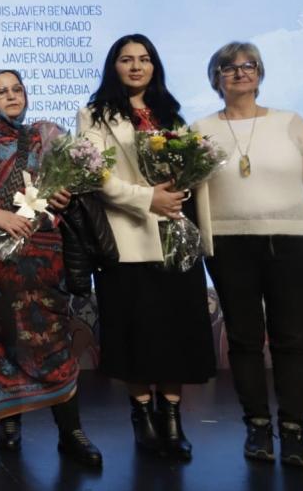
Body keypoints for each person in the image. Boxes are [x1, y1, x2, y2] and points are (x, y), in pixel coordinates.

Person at [193, 41, 303, 467]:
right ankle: (257, 428)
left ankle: (294, 431)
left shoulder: (291, 123)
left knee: (291, 340)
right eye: (230, 67)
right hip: (227, 244)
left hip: (293, 242)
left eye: (249, 65)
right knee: (242, 340)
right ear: (216, 78)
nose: (241, 72)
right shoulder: (199, 129)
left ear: (259, 73)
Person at [0, 69, 102, 468]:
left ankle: (71, 431)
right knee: (2, 339)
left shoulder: (45, 136)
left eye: (17, 89)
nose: (12, 96)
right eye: (2, 92)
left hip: (43, 259)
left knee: (53, 341)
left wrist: (66, 191)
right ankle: (8, 423)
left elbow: (67, 187)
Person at [76, 34, 216, 461]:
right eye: (126, 59)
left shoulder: (172, 116)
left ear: (154, 65)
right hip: (127, 237)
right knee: (134, 332)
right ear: (113, 66)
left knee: (177, 330)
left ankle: (171, 416)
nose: (136, 66)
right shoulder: (94, 115)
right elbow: (93, 175)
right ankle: (141, 416)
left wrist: (180, 198)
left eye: (144, 59)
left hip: (175, 236)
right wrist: (145, 198)